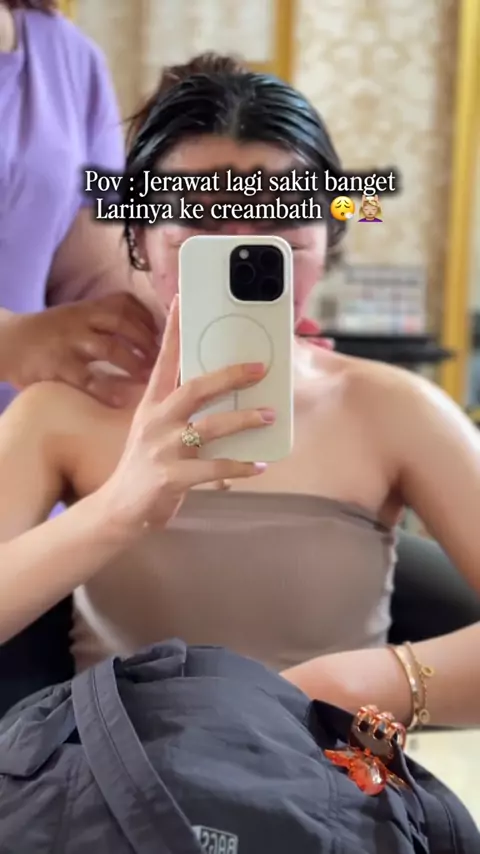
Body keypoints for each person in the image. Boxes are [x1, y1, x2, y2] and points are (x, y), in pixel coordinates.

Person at [0, 53, 479, 730]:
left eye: (280, 220)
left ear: (329, 234)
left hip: (326, 781)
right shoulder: (62, 413)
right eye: (198, 224)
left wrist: (363, 684)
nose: (239, 249)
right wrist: (116, 510)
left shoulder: (396, 411)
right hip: (109, 780)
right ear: (138, 240)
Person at [0, 0, 159, 413]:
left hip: (17, 435)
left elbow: (94, 273)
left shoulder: (69, 57)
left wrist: (182, 327)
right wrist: (9, 338)